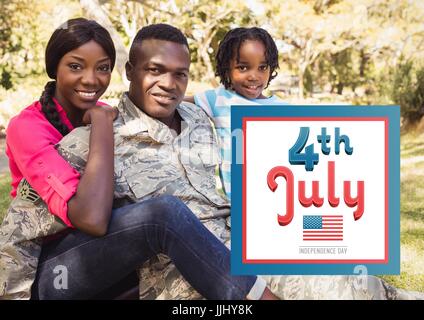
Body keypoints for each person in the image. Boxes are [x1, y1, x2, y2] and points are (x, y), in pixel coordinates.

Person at [38, 24, 424, 301]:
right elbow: (24, 236)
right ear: (130, 72)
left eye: (179, 74)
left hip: (247, 243)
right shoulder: (95, 140)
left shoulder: (204, 121)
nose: (168, 84)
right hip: (193, 278)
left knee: (342, 275)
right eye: (155, 70)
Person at [0, 19, 276, 300]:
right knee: (163, 214)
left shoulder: (115, 116)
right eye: (75, 66)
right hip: (53, 267)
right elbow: (79, 219)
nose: (90, 79)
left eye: (102, 68)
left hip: (113, 251)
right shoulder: (41, 129)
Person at [186, 27, 287, 201]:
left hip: (274, 196)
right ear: (227, 69)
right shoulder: (218, 98)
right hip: (235, 203)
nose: (254, 76)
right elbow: (174, 100)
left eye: (262, 67)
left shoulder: (282, 109)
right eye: (243, 67)